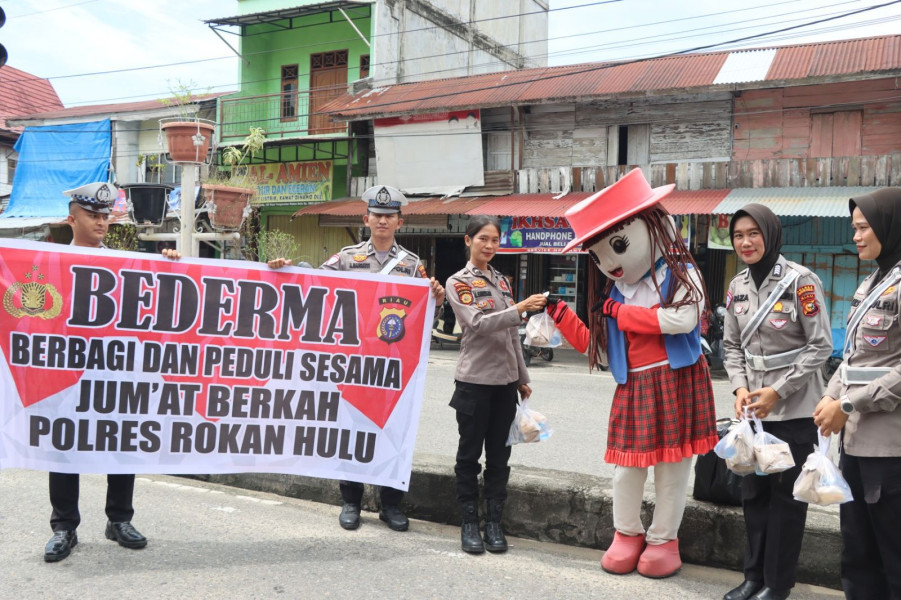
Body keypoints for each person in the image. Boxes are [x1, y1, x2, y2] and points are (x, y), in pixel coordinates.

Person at [544, 169, 717, 578]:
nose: (610, 264)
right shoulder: (612, 293)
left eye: (617, 246)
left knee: (672, 472)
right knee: (626, 471)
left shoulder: (679, 274)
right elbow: (598, 349)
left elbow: (684, 319)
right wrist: (561, 314)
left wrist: (624, 315)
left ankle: (663, 540)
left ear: (652, 224)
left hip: (676, 379)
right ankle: (627, 534)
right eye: (599, 255)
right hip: (635, 384)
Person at [268, 185, 445, 533]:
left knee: (393, 433)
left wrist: (437, 300)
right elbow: (312, 284)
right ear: (366, 219)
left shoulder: (412, 266)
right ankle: (351, 501)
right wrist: (284, 269)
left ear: (399, 222)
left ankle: (390, 504)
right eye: (376, 215)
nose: (382, 220)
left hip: (393, 366)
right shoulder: (348, 258)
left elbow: (427, 320)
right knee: (350, 433)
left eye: (389, 216)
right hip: (352, 364)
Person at [721, 204, 832, 600]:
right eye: (738, 235)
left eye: (753, 233)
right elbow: (731, 346)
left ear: (770, 233)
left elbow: (821, 346)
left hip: (795, 410)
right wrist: (738, 389)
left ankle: (777, 584)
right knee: (753, 498)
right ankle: (753, 577)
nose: (746, 242)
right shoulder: (737, 287)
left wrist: (777, 391)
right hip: (754, 413)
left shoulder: (801, 282)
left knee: (787, 501)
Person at [44, 182, 154, 562]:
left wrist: (172, 262)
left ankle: (119, 519)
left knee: (121, 443)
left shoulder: (127, 264)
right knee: (64, 446)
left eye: (106, 216)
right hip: (67, 371)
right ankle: (64, 527)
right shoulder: (48, 263)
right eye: (93, 216)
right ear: (71, 219)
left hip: (116, 370)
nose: (102, 223)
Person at [814, 187, 901, 599]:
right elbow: (853, 355)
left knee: (893, 555)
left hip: (890, 449)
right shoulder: (871, 283)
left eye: (864, 227)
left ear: (889, 225)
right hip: (855, 443)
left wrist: (848, 404)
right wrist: (830, 395)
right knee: (857, 553)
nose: (857, 236)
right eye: (854, 228)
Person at [445, 215, 548, 554]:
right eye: (482, 239)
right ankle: (469, 523)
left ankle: (493, 523)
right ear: (468, 240)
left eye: (494, 240)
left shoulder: (502, 281)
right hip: (474, 383)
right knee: (469, 456)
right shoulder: (458, 282)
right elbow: (477, 324)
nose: (489, 246)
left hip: (505, 384)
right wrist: (519, 308)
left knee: (500, 458)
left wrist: (521, 377)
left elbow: (510, 335)